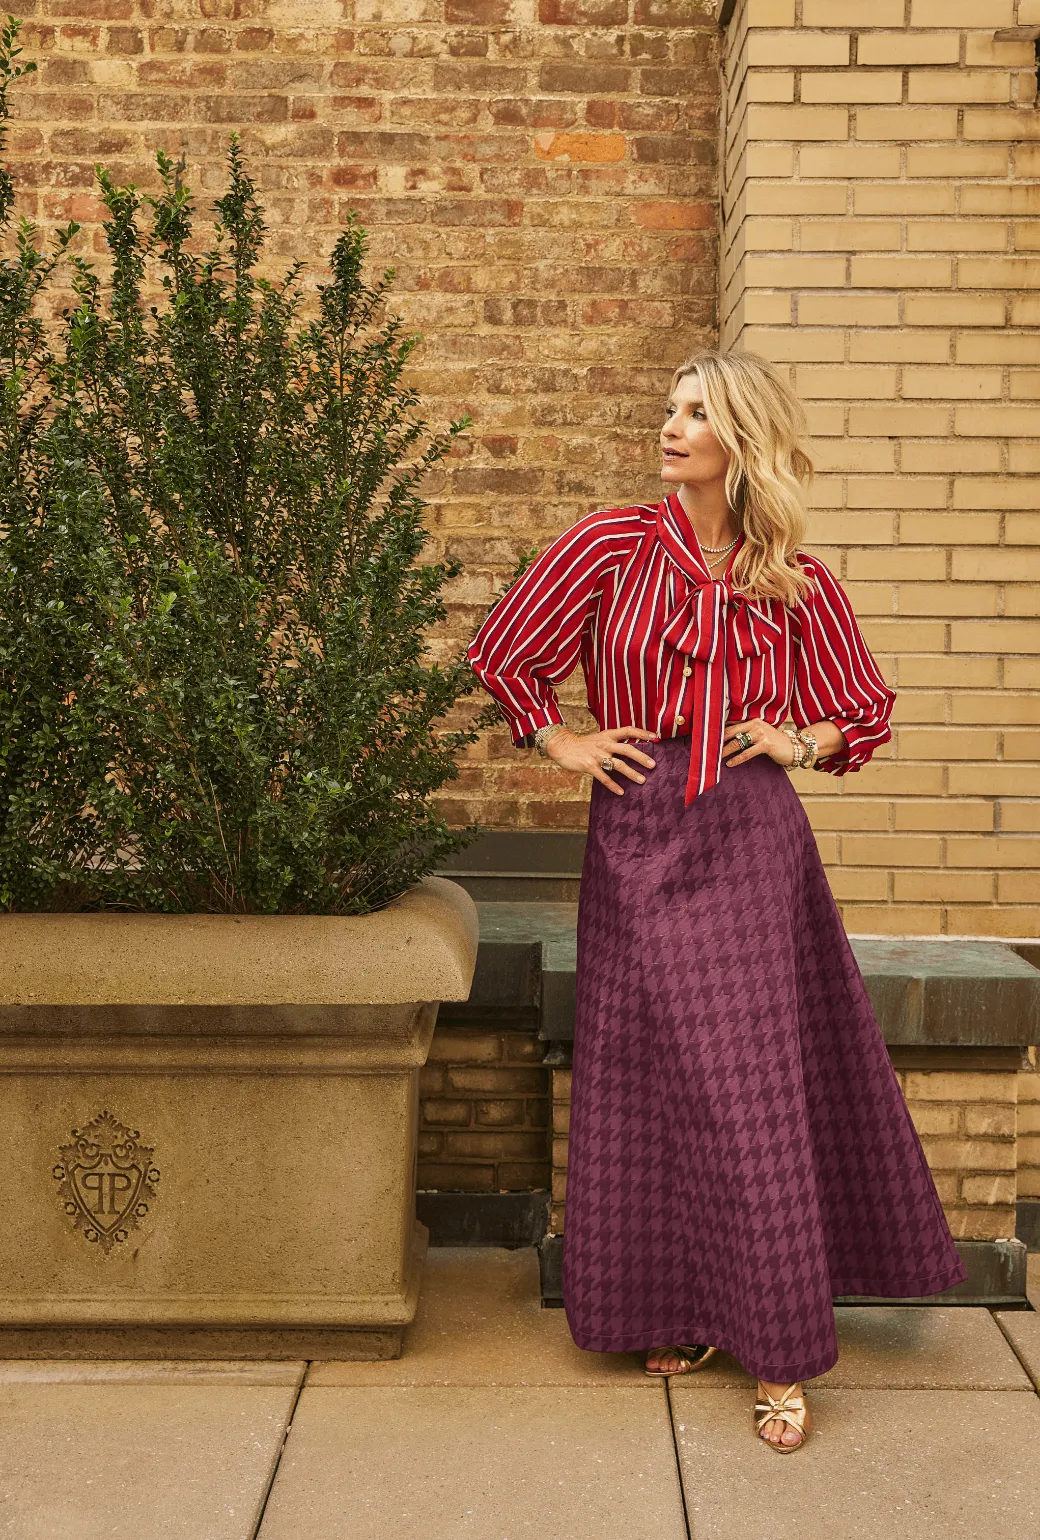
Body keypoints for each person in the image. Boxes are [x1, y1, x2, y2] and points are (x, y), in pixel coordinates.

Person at [466, 349, 967, 1453]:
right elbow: (504, 653)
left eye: (697, 412)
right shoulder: (607, 547)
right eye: (668, 408)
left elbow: (862, 710)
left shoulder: (792, 572)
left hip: (749, 840)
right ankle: (675, 1308)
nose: (671, 425)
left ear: (741, 437)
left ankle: (780, 1348)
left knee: (747, 1089)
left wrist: (798, 737)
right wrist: (559, 737)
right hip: (637, 834)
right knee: (649, 1080)